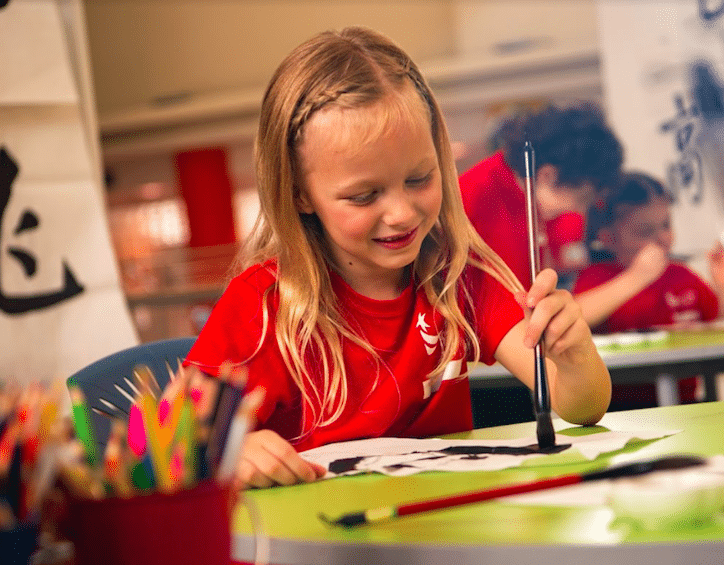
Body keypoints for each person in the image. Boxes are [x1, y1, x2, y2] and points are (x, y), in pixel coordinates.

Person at [184, 27, 611, 489]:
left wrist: (575, 355)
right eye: (364, 195)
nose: (402, 213)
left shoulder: (460, 275)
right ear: (299, 194)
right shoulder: (263, 303)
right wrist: (231, 450)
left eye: (419, 178)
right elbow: (174, 441)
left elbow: (581, 407)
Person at [573, 171, 724, 406]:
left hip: (685, 403)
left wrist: (721, 284)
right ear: (608, 238)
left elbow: (715, 320)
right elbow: (576, 316)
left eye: (666, 225)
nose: (662, 238)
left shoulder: (681, 275)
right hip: (621, 411)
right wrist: (637, 276)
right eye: (644, 232)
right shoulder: (597, 278)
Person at [459, 103, 624, 289]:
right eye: (582, 198)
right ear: (547, 175)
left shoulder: (531, 196)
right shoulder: (475, 199)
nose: (579, 209)